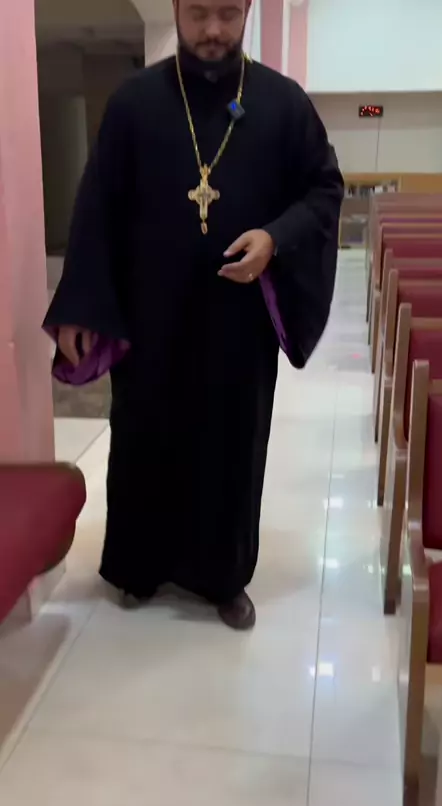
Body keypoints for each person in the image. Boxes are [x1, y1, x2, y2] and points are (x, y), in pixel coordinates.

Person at [44, 0, 344, 630]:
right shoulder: (133, 104)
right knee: (144, 437)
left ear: (248, 10)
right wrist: (80, 304)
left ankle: (223, 577)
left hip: (238, 323)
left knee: (231, 446)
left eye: (228, 14)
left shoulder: (284, 105)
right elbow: (96, 207)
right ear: (178, 8)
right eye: (200, 12)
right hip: (149, 315)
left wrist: (275, 237)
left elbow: (323, 189)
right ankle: (139, 566)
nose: (213, 30)